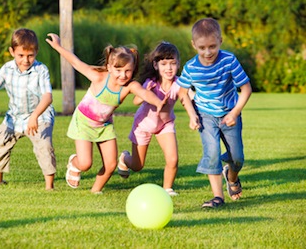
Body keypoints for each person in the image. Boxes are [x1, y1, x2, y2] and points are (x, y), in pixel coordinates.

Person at [45, 33, 166, 194]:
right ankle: (74, 163)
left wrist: (158, 102)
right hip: (83, 123)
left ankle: (95, 191)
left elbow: (144, 93)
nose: (123, 75)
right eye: (118, 70)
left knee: (110, 165)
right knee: (85, 163)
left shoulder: (129, 86)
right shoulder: (98, 77)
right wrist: (58, 47)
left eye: (127, 71)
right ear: (109, 67)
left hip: (104, 126)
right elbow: (76, 62)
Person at [177, 18, 252, 208]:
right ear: (194, 45)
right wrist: (193, 115)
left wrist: (235, 113)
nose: (208, 52)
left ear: (220, 41)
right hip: (206, 116)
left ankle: (231, 176)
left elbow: (246, 88)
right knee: (211, 153)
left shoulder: (229, 60)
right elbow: (182, 93)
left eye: (212, 46)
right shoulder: (191, 68)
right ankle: (218, 197)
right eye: (202, 48)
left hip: (229, 115)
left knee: (237, 158)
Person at [0, 28, 56, 190]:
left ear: (36, 52)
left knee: (44, 146)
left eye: (30, 55)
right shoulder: (7, 69)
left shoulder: (41, 70)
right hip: (14, 117)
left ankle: (49, 187)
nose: (26, 60)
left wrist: (35, 116)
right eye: (21, 55)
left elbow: (47, 97)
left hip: (40, 116)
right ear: (12, 51)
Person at [117, 41, 195, 197]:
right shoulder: (151, 83)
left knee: (173, 160)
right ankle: (124, 158)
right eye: (164, 63)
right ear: (155, 65)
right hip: (143, 125)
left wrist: (194, 114)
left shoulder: (179, 84)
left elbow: (188, 97)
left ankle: (167, 189)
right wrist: (145, 92)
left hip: (165, 125)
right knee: (138, 166)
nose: (169, 68)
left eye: (172, 63)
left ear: (178, 64)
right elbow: (136, 101)